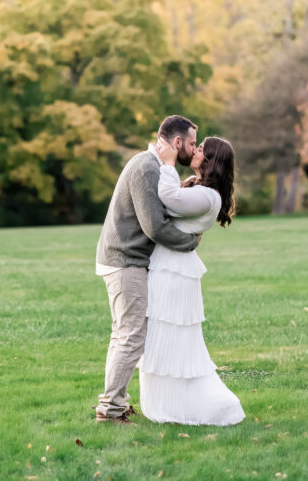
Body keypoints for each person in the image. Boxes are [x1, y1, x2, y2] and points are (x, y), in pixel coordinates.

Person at [94, 115, 201, 424]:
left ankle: (116, 402)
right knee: (130, 336)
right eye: (192, 143)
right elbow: (154, 226)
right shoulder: (146, 167)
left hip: (123, 259)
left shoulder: (152, 166)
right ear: (177, 142)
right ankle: (110, 410)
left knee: (124, 335)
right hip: (125, 261)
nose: (194, 149)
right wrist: (190, 241)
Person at [138, 135, 245, 426]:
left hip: (176, 272)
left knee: (172, 333)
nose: (194, 150)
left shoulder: (209, 196)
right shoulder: (197, 187)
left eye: (200, 149)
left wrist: (168, 163)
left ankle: (184, 405)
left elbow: (169, 200)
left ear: (211, 161)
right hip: (167, 265)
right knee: (160, 330)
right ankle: (162, 401)